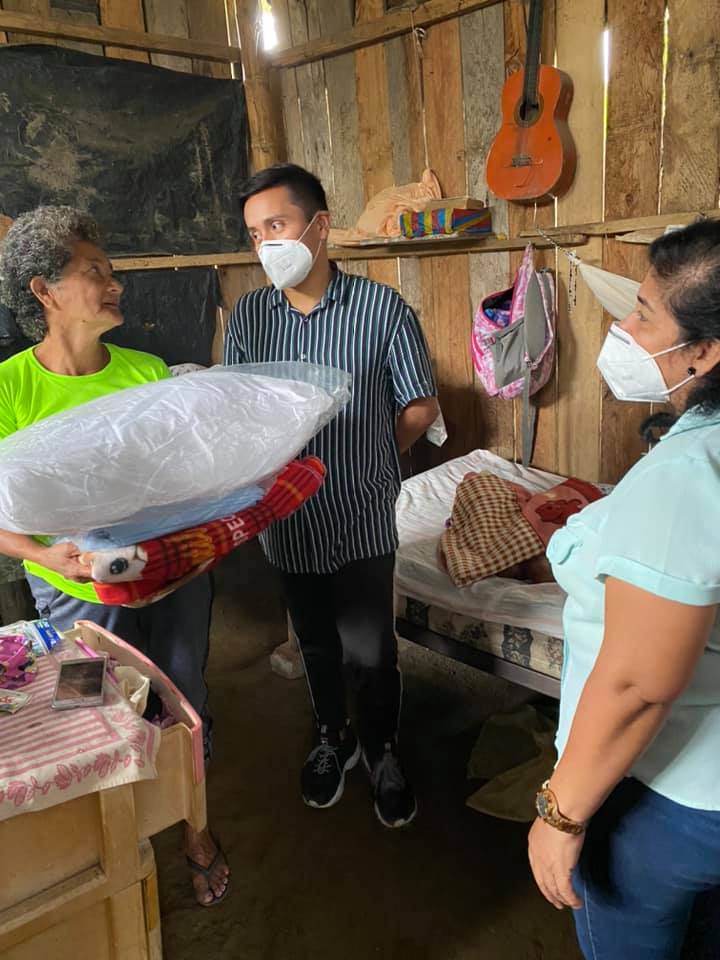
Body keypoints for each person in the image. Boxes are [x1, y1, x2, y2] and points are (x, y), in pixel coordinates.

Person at [0, 206, 230, 907]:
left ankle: (193, 825)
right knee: (91, 706)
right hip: (73, 591)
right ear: (44, 290)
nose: (114, 284)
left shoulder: (147, 371)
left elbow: (181, 477)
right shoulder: (10, 388)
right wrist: (49, 557)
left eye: (111, 270)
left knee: (183, 695)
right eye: (94, 271)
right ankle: (113, 836)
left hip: (171, 571)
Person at [225, 163, 439, 828]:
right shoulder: (250, 317)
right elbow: (238, 408)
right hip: (287, 520)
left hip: (360, 514)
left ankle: (381, 750)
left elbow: (419, 405)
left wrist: (371, 456)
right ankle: (332, 736)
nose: (266, 244)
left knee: (370, 650)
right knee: (314, 642)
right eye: (255, 233)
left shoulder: (382, 310)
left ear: (319, 227)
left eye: (277, 225)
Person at [528, 219, 720, 958]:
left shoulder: (686, 474)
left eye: (643, 313)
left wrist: (561, 813)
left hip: (668, 799)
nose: (622, 329)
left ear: (704, 351)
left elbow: (639, 684)